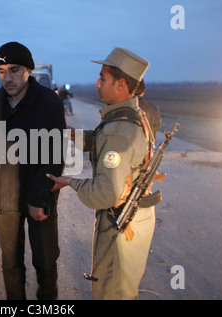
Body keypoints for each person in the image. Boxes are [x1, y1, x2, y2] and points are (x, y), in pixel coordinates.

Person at [47, 47, 156, 299]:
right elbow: (102, 140)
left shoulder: (119, 130)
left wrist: (69, 182)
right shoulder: (131, 115)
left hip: (121, 223)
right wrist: (74, 135)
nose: (97, 84)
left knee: (112, 291)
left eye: (102, 78)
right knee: (123, 289)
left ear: (121, 84)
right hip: (135, 218)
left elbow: (106, 194)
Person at [0, 42, 66, 300]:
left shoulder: (48, 101)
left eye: (14, 70)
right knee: (11, 264)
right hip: (5, 194)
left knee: (46, 262)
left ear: (28, 70)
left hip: (38, 194)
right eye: (1, 71)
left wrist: (39, 198)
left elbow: (54, 154)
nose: (7, 77)